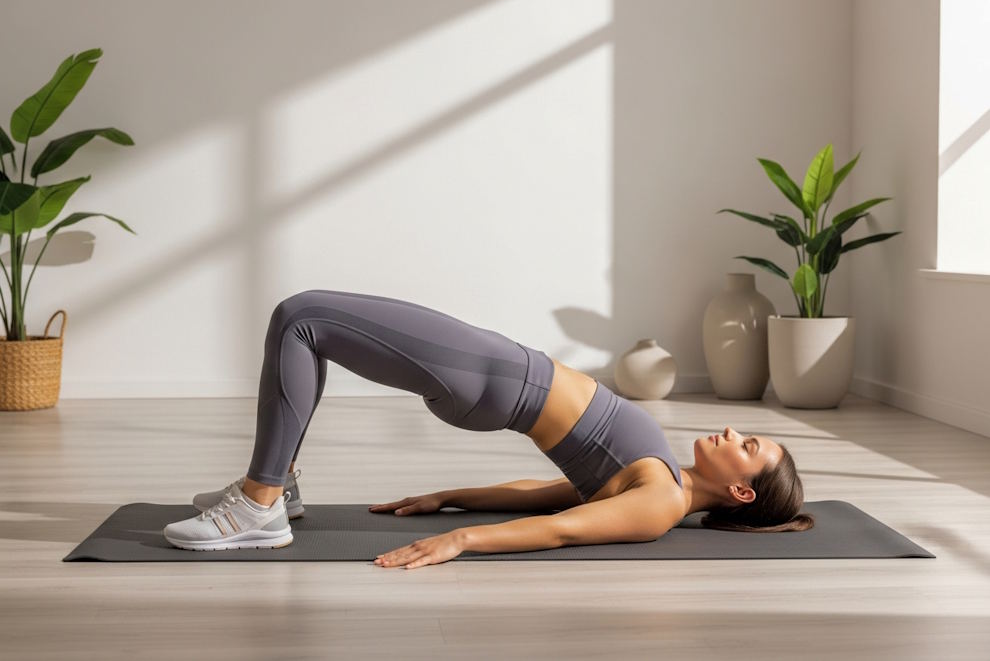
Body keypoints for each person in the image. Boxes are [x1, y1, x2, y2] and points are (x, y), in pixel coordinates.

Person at [163, 289, 814, 565]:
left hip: (493, 376)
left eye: (748, 447)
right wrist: (449, 495)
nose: (734, 433)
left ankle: (260, 503)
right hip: (498, 369)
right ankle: (281, 487)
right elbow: (549, 493)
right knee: (304, 323)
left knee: (301, 319)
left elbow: (560, 530)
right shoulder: (663, 478)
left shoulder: (661, 503)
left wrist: (463, 539)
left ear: (742, 493)